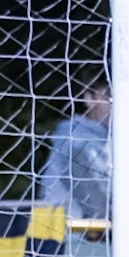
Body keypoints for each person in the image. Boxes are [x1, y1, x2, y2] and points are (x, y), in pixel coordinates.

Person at [39, 66, 111, 218]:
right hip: (71, 236)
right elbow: (94, 206)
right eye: (108, 98)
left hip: (103, 233)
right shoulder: (73, 142)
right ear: (88, 98)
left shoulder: (115, 141)